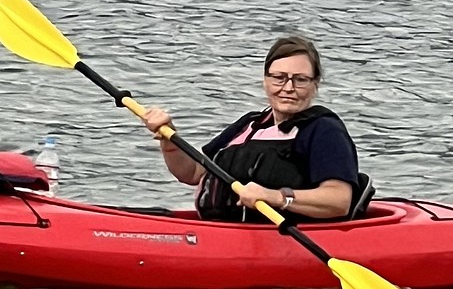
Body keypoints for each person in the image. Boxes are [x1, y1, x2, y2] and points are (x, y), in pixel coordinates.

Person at [141, 35, 360, 222]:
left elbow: (338, 201)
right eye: (279, 78)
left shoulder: (324, 130)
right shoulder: (251, 124)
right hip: (221, 233)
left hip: (280, 243)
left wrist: (275, 197)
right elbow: (192, 172)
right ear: (265, 80)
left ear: (315, 84)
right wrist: (168, 138)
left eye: (300, 80)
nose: (288, 88)